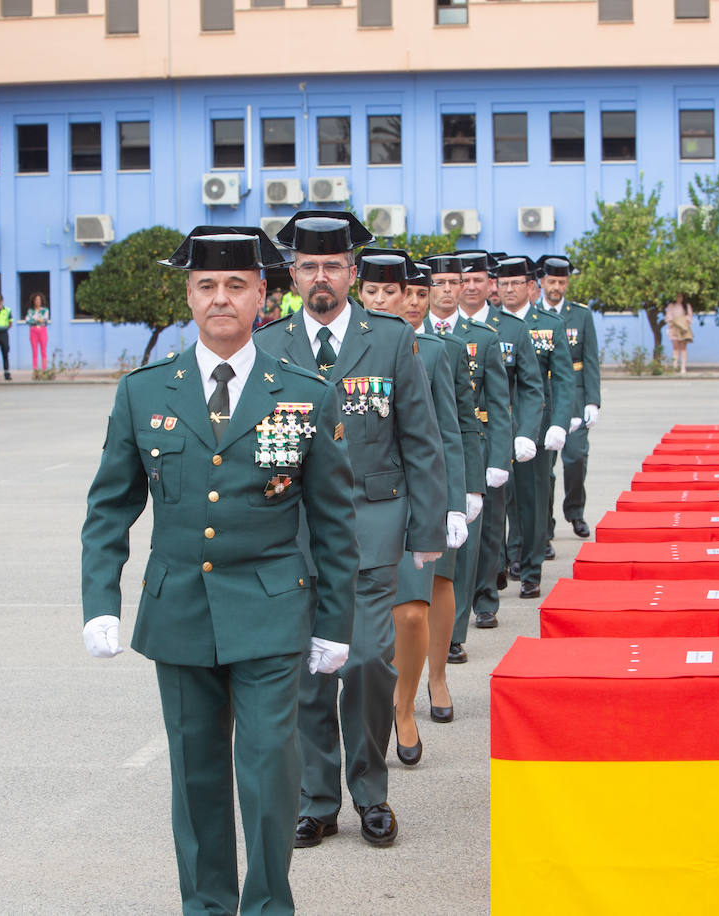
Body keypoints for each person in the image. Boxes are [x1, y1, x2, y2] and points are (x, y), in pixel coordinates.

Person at [80, 226, 359, 915]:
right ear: (189, 296)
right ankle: (205, 908)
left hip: (269, 610)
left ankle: (268, 906)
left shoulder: (302, 392)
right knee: (196, 777)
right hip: (177, 614)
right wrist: (100, 600)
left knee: (268, 772)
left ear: (264, 294)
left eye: (236, 285)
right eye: (206, 286)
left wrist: (336, 623)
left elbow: (333, 521)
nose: (220, 298)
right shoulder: (144, 393)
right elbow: (109, 507)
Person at [254, 211, 446, 851]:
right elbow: (264, 448)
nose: (320, 278)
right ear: (292, 276)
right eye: (308, 267)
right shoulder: (270, 346)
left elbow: (420, 438)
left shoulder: (389, 339)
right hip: (296, 534)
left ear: (352, 274)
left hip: (374, 523)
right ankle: (316, 798)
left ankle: (371, 791)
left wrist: (428, 523)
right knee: (310, 667)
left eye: (333, 266)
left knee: (366, 660)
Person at [356, 248, 471, 768]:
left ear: (409, 297)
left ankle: (405, 705)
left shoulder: (430, 350)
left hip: (406, 499)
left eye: (392, 291)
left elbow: (444, 432)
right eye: (372, 291)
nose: (382, 300)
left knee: (408, 613)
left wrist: (452, 501)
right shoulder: (343, 346)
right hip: (350, 503)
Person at [421, 253, 511, 669]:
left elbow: (484, 409)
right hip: (414, 460)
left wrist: (482, 471)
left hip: (460, 449)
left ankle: (453, 636)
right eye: (434, 283)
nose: (444, 290)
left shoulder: (480, 339)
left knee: (459, 554)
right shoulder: (400, 337)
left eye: (450, 283)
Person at [451, 250, 542, 632]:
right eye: (463, 280)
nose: (471, 287)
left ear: (491, 285)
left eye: (478, 280)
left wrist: (518, 438)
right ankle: (453, 602)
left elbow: (528, 389)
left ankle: (485, 597)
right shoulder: (437, 329)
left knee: (490, 527)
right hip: (449, 437)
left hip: (489, 436)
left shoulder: (510, 329)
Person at [496, 256, 575, 600]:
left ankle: (530, 568)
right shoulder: (490, 325)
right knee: (500, 500)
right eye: (503, 284)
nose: (509, 289)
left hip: (536, 426)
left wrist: (558, 423)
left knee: (531, 501)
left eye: (516, 283)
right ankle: (504, 560)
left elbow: (563, 379)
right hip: (498, 425)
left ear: (530, 287)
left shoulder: (548, 324)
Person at [539, 256, 600, 541]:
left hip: (574, 394)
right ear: (541, 282)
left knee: (576, 458)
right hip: (543, 395)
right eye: (551, 281)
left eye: (561, 282)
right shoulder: (533, 314)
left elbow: (590, 360)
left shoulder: (581, 315)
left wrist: (592, 401)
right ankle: (546, 521)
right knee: (544, 467)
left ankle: (575, 512)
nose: (556, 287)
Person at [664, 293, 694, 374]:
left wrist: (683, 322)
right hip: (674, 328)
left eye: (681, 296)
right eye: (677, 296)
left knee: (683, 347)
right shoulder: (671, 306)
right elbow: (668, 317)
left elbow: (689, 317)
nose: (679, 298)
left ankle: (683, 367)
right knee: (675, 347)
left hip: (683, 329)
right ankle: (675, 366)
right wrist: (675, 322)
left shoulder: (687, 306)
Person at [26, 292, 49, 372]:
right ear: (33, 301)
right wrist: (37, 320)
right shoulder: (30, 311)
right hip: (33, 331)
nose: (37, 301)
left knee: (43, 350)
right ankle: (35, 369)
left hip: (42, 330)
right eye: (36, 300)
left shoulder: (45, 310)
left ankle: (44, 369)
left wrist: (36, 320)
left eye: (39, 300)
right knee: (34, 350)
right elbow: (28, 320)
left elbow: (45, 320)